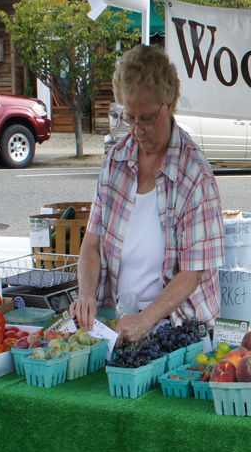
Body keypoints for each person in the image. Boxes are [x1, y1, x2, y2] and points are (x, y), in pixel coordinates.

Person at [69, 44, 224, 340]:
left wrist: (146, 320)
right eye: (130, 118)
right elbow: (91, 243)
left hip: (180, 330)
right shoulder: (116, 162)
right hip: (122, 323)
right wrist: (86, 294)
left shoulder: (195, 176)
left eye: (148, 119)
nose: (138, 130)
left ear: (170, 105)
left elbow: (193, 273)